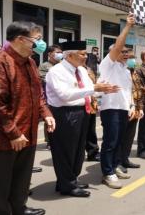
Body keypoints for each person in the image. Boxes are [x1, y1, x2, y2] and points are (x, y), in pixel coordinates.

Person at [46, 40, 119, 197]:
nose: (86, 56)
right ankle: (67, 185)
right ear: (70, 55)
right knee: (65, 151)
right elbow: (64, 95)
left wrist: (104, 90)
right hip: (64, 114)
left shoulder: (81, 70)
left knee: (78, 150)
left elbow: (88, 91)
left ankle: (71, 180)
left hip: (82, 112)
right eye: (82, 53)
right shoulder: (56, 71)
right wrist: (94, 88)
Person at [0, 22, 55, 215]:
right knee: (2, 183)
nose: (41, 43)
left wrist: (46, 114)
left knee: (22, 178)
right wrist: (13, 133)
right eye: (37, 39)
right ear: (20, 39)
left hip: (28, 133)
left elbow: (37, 94)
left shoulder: (30, 62)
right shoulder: (1, 62)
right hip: (6, 139)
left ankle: (19, 208)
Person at [98, 14, 136, 189]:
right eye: (123, 51)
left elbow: (128, 91)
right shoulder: (108, 64)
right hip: (110, 109)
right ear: (113, 53)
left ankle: (114, 166)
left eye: (128, 52)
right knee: (110, 141)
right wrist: (127, 26)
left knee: (119, 141)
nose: (127, 54)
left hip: (122, 109)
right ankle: (107, 172)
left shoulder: (125, 69)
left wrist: (132, 106)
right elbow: (118, 45)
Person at [117, 51, 143, 173]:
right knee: (119, 138)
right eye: (130, 58)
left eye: (134, 58)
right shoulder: (119, 73)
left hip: (135, 110)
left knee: (129, 137)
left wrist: (140, 108)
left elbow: (139, 92)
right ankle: (117, 162)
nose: (132, 60)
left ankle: (125, 159)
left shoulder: (135, 74)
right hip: (123, 109)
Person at [39, 45, 63, 149]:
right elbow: (43, 78)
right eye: (57, 52)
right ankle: (49, 141)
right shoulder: (44, 66)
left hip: (61, 97)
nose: (60, 54)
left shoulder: (63, 65)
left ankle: (58, 139)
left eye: (61, 52)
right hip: (48, 97)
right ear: (49, 54)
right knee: (49, 118)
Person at [85, 65, 100, 162]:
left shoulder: (88, 69)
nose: (84, 57)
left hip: (91, 105)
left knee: (91, 131)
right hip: (78, 106)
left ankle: (93, 153)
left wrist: (97, 102)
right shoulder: (65, 70)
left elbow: (94, 86)